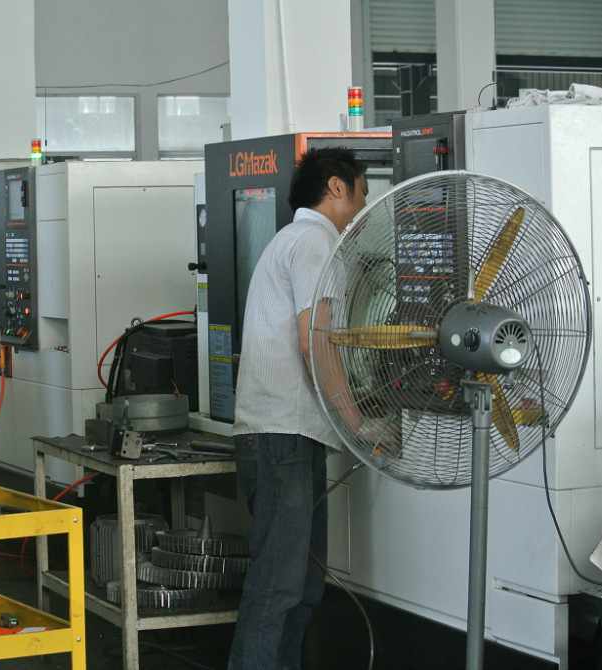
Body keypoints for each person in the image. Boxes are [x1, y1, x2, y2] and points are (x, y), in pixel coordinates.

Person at [228, 147, 368, 670]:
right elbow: (317, 342)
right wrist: (357, 423)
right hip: (281, 437)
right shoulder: (313, 241)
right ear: (336, 187)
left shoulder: (295, 240)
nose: (362, 208)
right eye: (361, 194)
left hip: (295, 435)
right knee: (278, 587)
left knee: (303, 587)